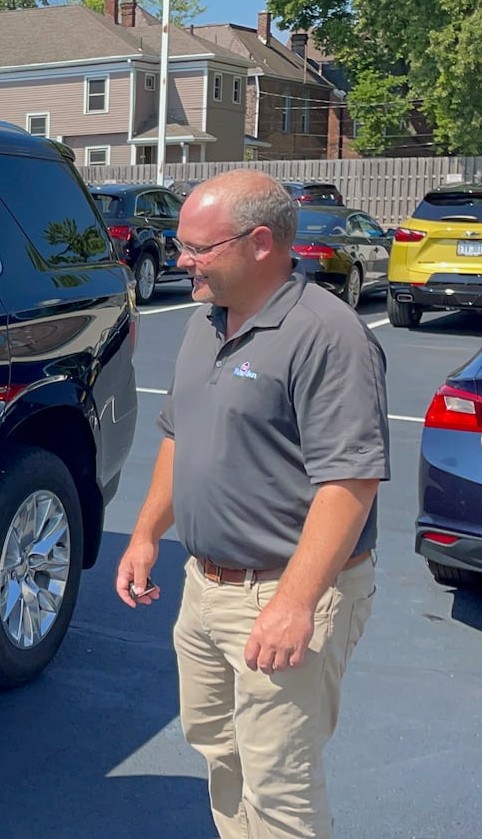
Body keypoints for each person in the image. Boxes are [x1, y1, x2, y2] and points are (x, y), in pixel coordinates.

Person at [115, 170, 388, 837]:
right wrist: (147, 534)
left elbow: (349, 485)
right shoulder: (206, 322)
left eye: (196, 248)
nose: (179, 260)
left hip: (285, 594)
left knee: (280, 786)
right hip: (205, 588)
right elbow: (181, 436)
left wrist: (293, 604)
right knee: (223, 758)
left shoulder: (328, 335)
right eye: (179, 245)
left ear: (260, 242)